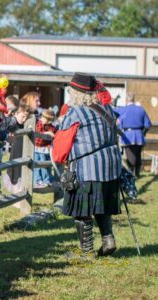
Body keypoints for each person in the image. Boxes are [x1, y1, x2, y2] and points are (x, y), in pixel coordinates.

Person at [54, 72, 122, 259]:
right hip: (110, 168)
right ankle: (108, 240)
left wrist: (61, 160)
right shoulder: (107, 109)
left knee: (82, 211)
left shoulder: (75, 113)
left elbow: (62, 145)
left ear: (75, 93)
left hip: (87, 168)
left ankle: (87, 252)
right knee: (102, 206)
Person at [0, 95, 19, 199]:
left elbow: (13, 125)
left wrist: (17, 119)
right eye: (9, 110)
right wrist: (6, 136)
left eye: (13, 112)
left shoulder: (7, 118)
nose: (10, 113)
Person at [114, 93, 151, 177]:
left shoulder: (122, 109)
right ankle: (137, 173)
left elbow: (112, 112)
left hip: (127, 135)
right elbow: (148, 125)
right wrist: (143, 133)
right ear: (134, 99)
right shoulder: (141, 109)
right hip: (139, 135)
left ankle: (131, 173)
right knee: (138, 155)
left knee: (130, 156)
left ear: (127, 100)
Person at [34, 109, 57, 188]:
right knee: (37, 165)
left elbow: (53, 134)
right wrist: (47, 133)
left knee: (45, 166)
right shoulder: (39, 124)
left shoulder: (51, 127)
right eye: (42, 118)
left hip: (44, 149)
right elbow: (38, 131)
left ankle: (46, 180)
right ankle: (37, 180)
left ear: (49, 121)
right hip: (37, 148)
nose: (42, 119)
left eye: (45, 119)